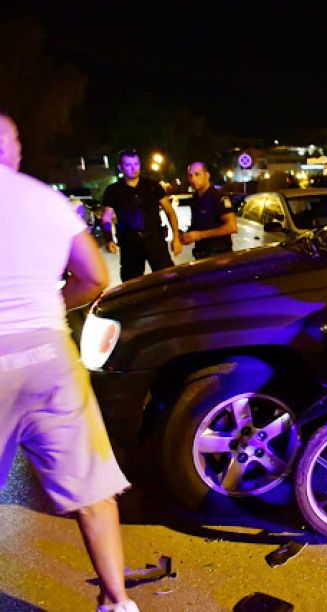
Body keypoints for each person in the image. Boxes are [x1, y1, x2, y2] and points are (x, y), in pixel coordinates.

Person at [0, 112, 138, 612]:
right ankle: (117, 601)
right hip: (49, 356)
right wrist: (51, 304)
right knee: (93, 487)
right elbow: (95, 276)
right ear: (11, 148)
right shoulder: (47, 200)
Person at [100, 149, 182, 282]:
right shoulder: (113, 191)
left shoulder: (152, 186)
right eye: (128, 165)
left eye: (136, 164)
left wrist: (176, 238)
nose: (134, 168)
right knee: (131, 283)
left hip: (155, 240)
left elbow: (169, 211)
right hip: (130, 244)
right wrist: (109, 239)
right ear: (120, 168)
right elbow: (105, 218)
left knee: (168, 278)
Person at [180, 161, 237, 259]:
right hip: (201, 255)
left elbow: (232, 227)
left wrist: (200, 235)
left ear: (207, 176)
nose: (193, 179)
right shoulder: (195, 199)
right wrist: (187, 236)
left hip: (219, 256)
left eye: (197, 174)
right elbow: (198, 226)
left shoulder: (218, 197)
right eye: (190, 176)